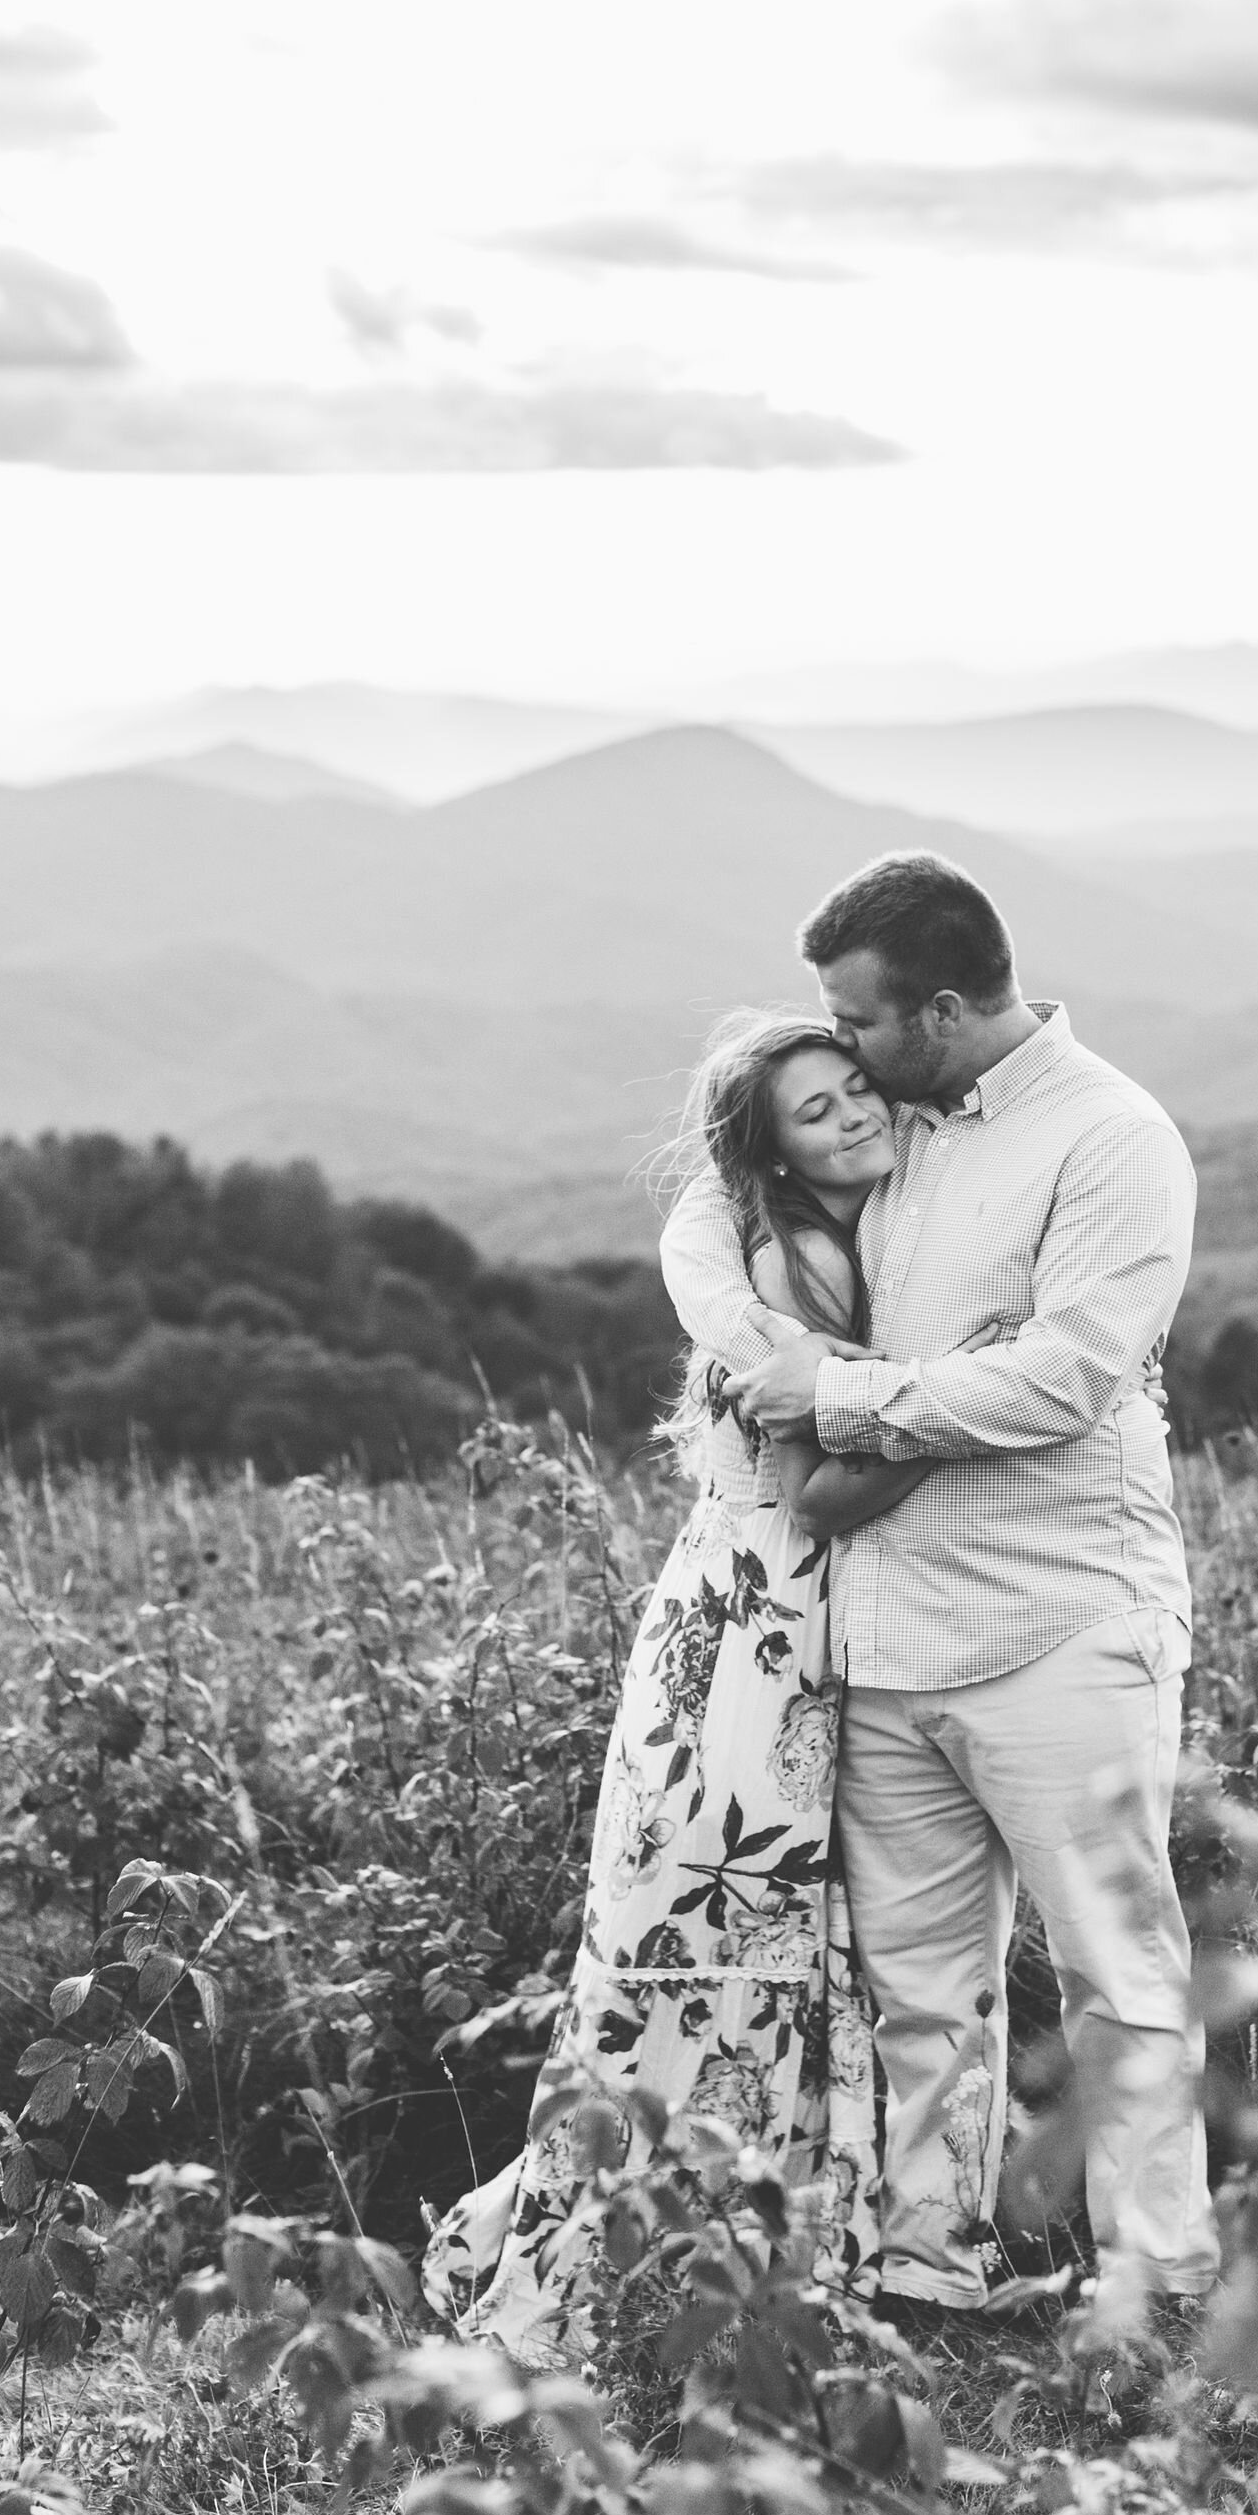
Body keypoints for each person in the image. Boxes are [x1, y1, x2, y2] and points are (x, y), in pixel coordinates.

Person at [661, 850, 1217, 2327]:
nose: (838, 1043)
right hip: (883, 1636)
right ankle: (929, 2262)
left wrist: (847, 1402)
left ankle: (1156, 2288)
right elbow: (724, 1209)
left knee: (1119, 1974)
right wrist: (747, 1325)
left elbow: (1067, 1377)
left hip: (1062, 1627)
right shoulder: (882, 1123)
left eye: (860, 1018)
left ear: (950, 1009)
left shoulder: (1112, 1139)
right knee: (919, 1993)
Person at [422, 1010, 930, 2359]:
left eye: (857, 1089)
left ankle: (750, 2251)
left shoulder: (859, 1228)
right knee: (731, 1925)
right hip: (761, 1634)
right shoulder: (784, 1271)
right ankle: (678, 2255)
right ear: (769, 1156)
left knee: (770, 1935)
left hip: (772, 1629)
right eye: (816, 1111)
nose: (855, 1115)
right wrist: (964, 1406)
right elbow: (822, 1494)